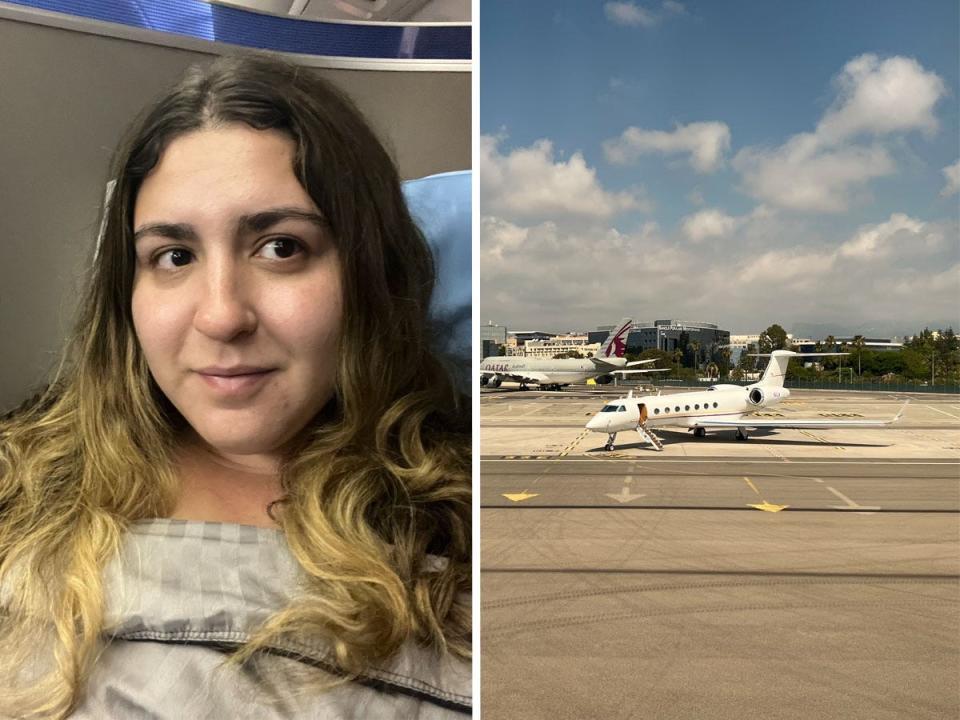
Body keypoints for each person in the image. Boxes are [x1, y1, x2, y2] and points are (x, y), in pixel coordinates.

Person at [0, 53, 471, 718]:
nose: (222, 314)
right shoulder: (16, 485)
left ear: (372, 275)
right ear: (126, 293)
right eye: (175, 257)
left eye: (281, 247)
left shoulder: (460, 532)